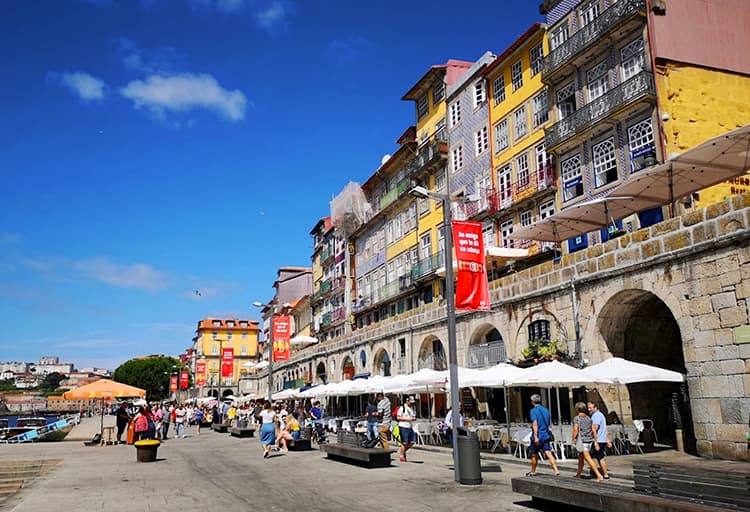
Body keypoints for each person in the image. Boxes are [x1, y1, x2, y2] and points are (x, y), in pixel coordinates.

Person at [527, 394, 560, 477]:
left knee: (534, 454)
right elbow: (548, 422)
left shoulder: (533, 411)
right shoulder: (546, 410)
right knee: (548, 452)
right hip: (545, 434)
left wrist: (535, 436)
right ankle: (556, 470)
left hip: (538, 435)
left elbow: (535, 424)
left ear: (532, 402)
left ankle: (533, 471)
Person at [572, 402, 604, 481]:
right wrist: (595, 441)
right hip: (589, 441)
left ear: (577, 409)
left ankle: (599, 475)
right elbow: (593, 430)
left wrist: (573, 439)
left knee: (588, 459)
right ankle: (578, 474)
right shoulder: (589, 418)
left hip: (582, 441)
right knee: (581, 458)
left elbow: (575, 429)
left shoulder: (577, 418)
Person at [588, 402, 611, 479]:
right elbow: (605, 429)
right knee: (597, 457)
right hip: (602, 439)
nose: (589, 409)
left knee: (599, 457)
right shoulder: (600, 415)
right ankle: (597, 472)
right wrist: (607, 440)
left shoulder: (596, 416)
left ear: (595, 407)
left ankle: (604, 474)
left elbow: (595, 429)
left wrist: (595, 442)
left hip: (598, 440)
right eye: (588, 407)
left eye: (590, 407)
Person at [396, 396, 418, 462]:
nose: (411, 404)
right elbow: (398, 417)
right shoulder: (402, 408)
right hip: (403, 426)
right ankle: (402, 455)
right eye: (410, 402)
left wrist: (414, 419)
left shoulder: (413, 408)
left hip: (411, 427)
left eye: (412, 403)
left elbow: (414, 416)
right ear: (407, 401)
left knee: (412, 442)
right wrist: (407, 419)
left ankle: (403, 451)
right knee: (404, 442)